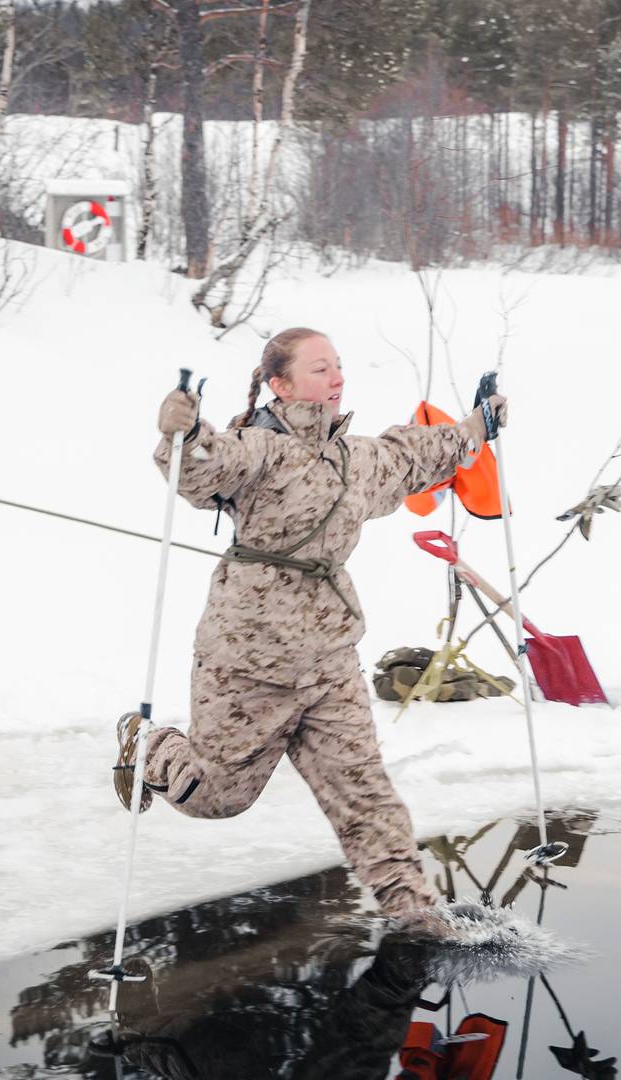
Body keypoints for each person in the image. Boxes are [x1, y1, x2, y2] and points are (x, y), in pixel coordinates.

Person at [115, 326, 506, 916]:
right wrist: (184, 433)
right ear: (280, 383)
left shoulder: (358, 458)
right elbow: (201, 468)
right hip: (249, 661)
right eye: (320, 369)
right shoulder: (260, 449)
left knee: (367, 797)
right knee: (216, 797)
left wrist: (476, 427)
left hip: (329, 658)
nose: (337, 378)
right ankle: (147, 745)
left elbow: (415, 455)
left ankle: (417, 916)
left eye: (339, 367)